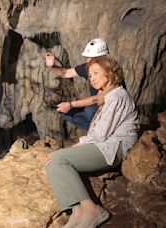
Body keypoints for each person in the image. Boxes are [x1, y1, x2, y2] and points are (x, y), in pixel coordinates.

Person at [44, 56, 138, 228]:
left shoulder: (117, 96)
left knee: (58, 158)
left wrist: (75, 146)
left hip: (114, 147)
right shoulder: (106, 96)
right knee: (51, 163)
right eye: (90, 75)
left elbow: (100, 134)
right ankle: (77, 212)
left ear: (110, 74)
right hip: (104, 144)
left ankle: (92, 210)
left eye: (96, 73)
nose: (92, 78)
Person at [44, 38, 109, 130]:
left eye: (92, 58)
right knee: (66, 112)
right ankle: (94, 132)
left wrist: (71, 104)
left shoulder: (109, 72)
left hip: (110, 108)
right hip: (98, 107)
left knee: (89, 111)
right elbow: (65, 73)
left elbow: (98, 98)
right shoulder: (88, 67)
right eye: (88, 57)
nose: (88, 61)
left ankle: (103, 132)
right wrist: (52, 66)